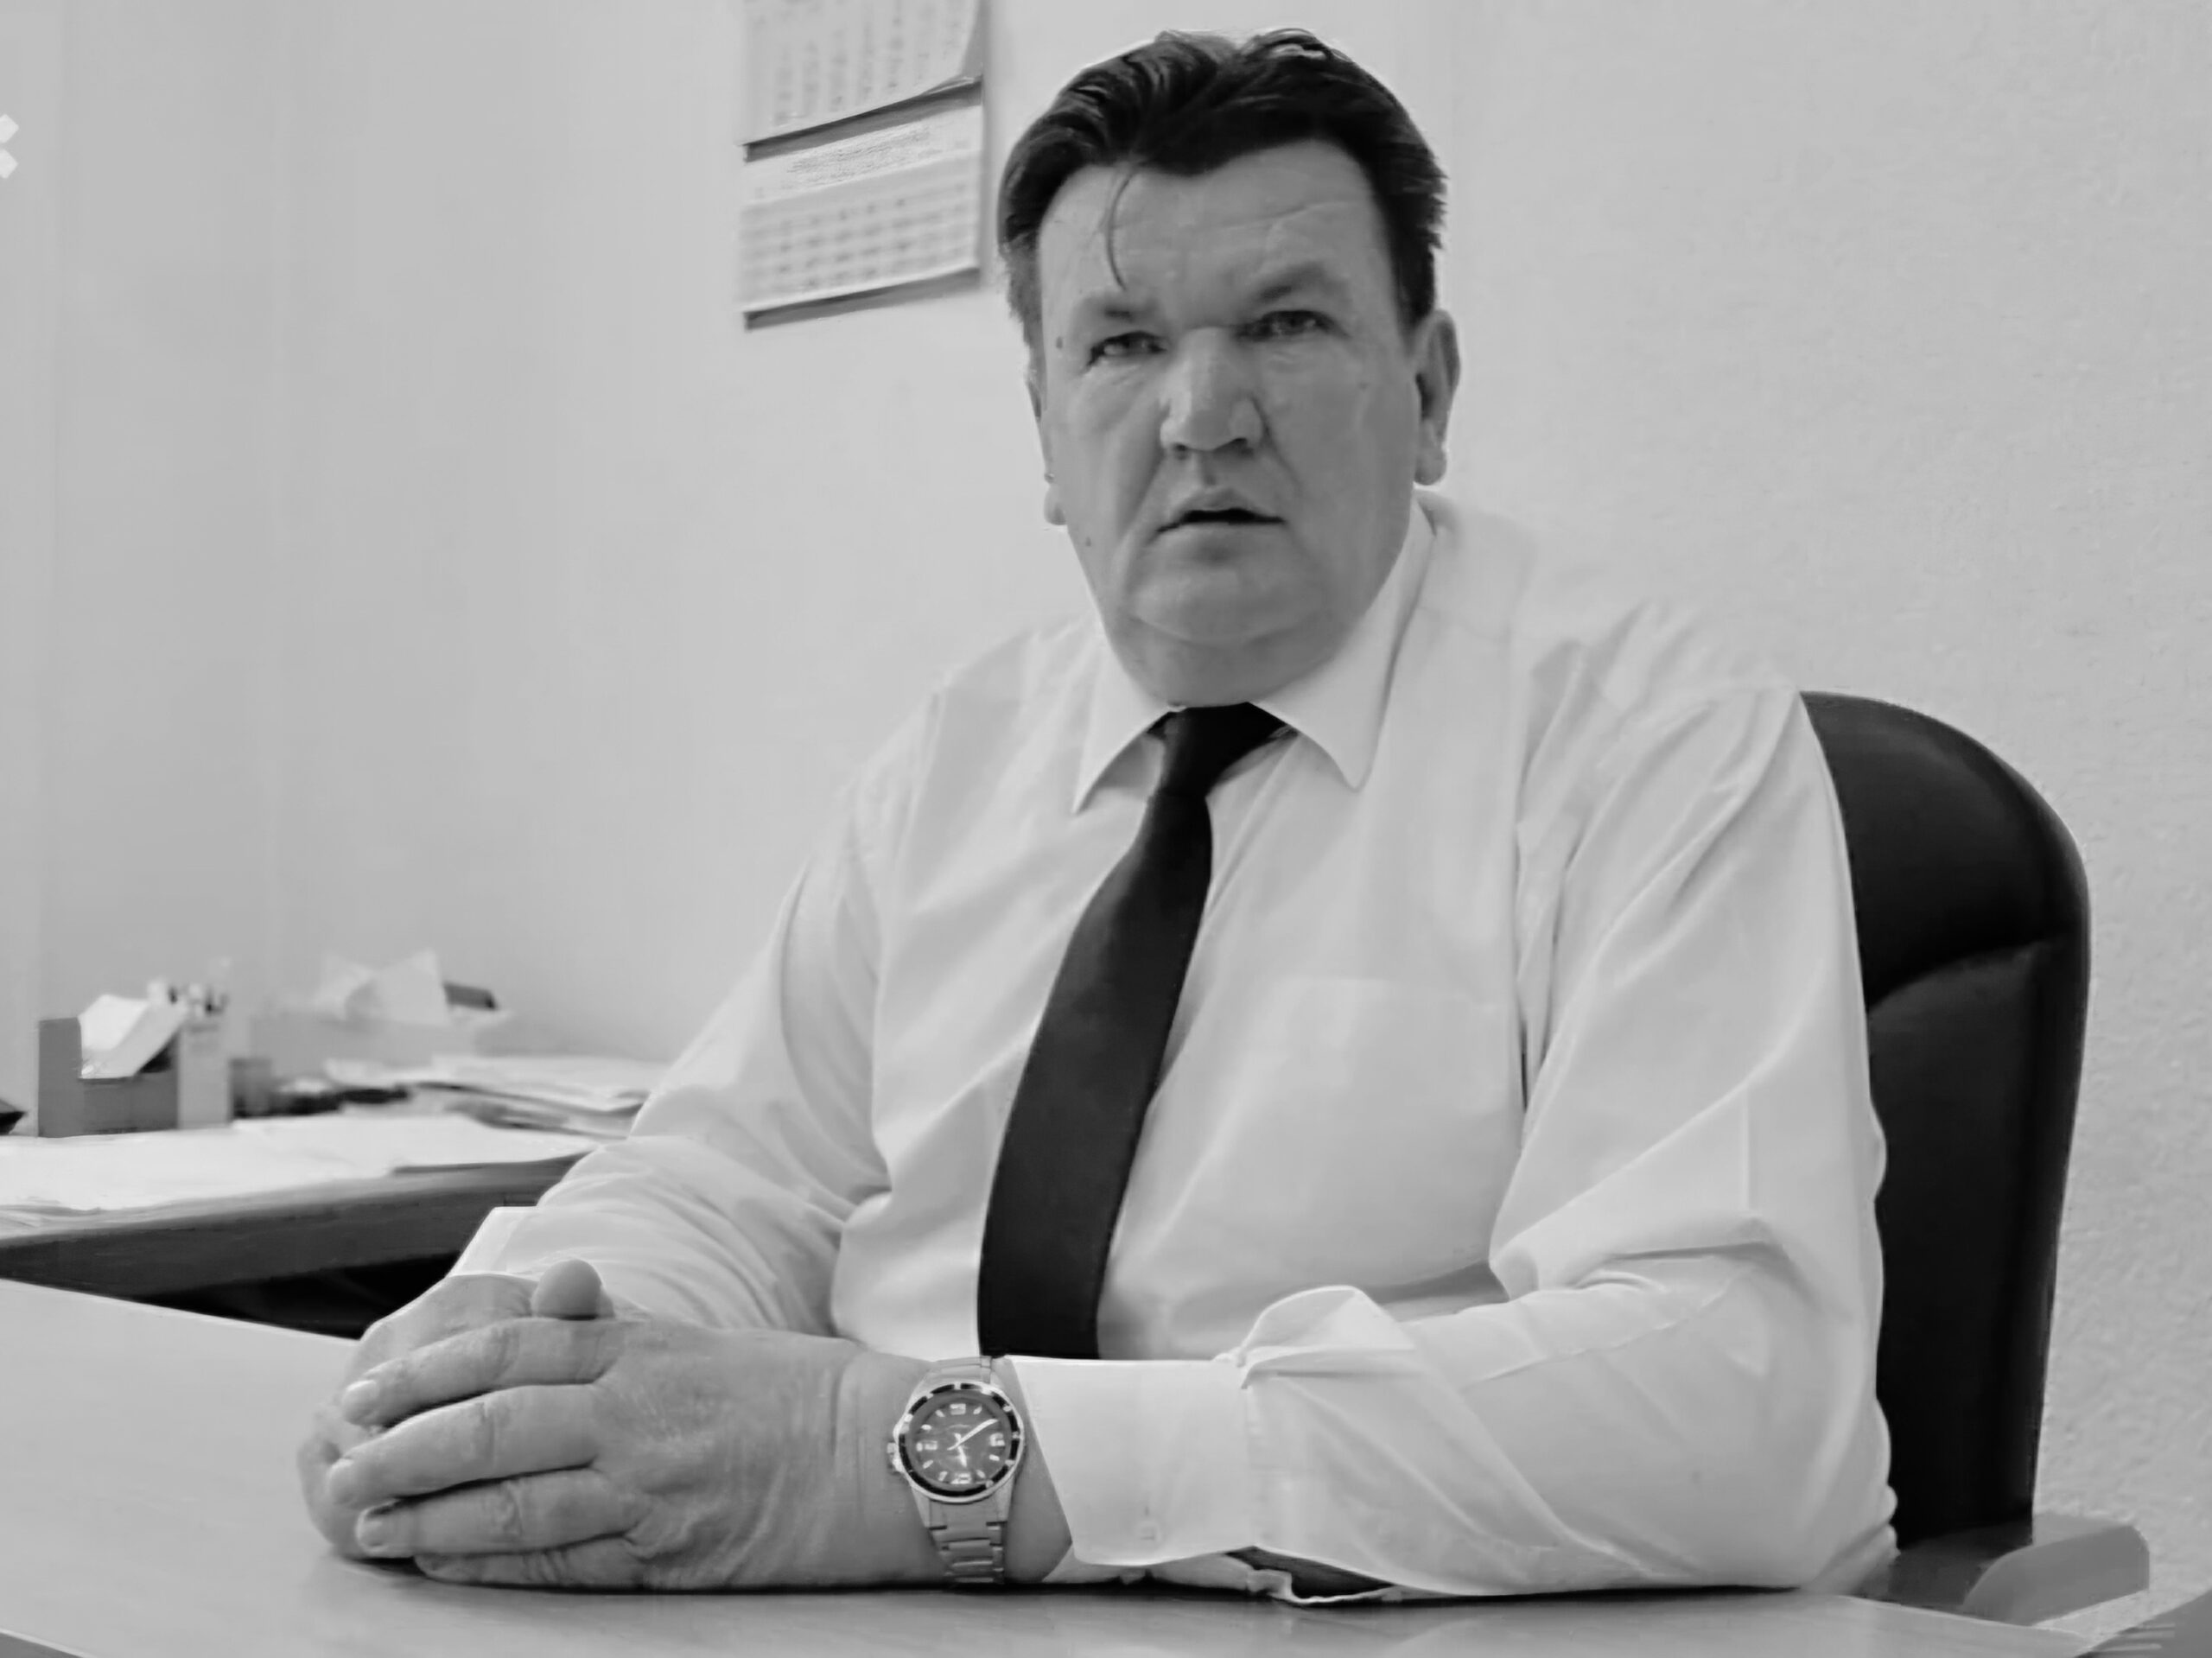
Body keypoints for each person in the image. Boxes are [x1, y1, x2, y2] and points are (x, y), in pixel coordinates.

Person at [299, 27, 1895, 1602]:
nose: (1203, 413)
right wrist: (499, 1367)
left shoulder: (1653, 741)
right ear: (1047, 427)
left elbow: (1735, 1398)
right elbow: (730, 1181)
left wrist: (907, 1467)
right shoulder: (960, 756)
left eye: (1285, 324)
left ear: (1426, 391)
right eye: (1122, 345)